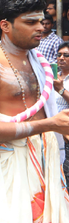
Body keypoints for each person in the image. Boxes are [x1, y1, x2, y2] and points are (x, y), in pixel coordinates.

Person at [0, 0, 69, 222]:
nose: (40, 28)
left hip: (44, 155)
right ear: (5, 25)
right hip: (9, 163)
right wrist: (52, 124)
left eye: (41, 21)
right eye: (30, 22)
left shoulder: (37, 60)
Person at [54, 41, 69, 190]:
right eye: (59, 55)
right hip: (52, 131)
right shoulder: (53, 76)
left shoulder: (60, 83)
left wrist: (60, 90)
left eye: (66, 55)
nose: (61, 58)